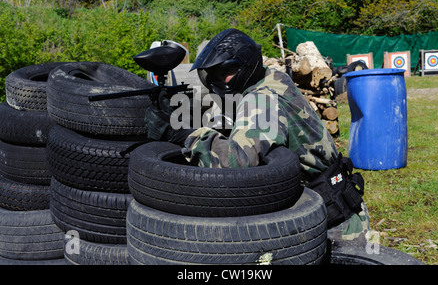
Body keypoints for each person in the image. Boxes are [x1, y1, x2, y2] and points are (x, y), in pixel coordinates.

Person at [145, 28, 369, 244]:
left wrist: (183, 134)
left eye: (225, 73)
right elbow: (238, 121)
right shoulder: (272, 77)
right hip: (327, 205)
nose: (218, 82)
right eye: (213, 75)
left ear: (246, 65)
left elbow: (236, 161)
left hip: (336, 222)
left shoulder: (262, 99)